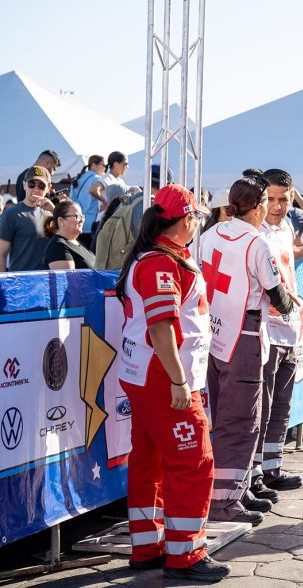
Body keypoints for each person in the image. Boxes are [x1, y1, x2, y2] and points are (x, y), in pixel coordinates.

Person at [114, 184, 230, 581]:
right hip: (164, 378)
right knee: (193, 461)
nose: (199, 221)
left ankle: (148, 544)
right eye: (197, 216)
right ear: (185, 221)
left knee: (149, 461)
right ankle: (187, 554)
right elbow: (161, 326)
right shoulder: (161, 263)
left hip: (147, 375)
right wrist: (180, 382)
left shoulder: (159, 257)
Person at [199, 174, 298, 525]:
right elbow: (277, 294)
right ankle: (226, 500)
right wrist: (291, 306)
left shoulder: (209, 234)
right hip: (244, 334)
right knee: (242, 420)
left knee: (219, 417)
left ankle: (228, 492)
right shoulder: (257, 242)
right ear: (256, 208)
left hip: (212, 333)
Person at [249, 169, 303, 503]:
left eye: (283, 199)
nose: (276, 205)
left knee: (282, 405)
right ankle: (255, 474)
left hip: (291, 327)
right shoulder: (254, 230)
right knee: (264, 404)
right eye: (270, 199)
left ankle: (273, 467)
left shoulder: (286, 227)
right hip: (265, 329)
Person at [0, 166, 55, 272]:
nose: (36, 189)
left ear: (48, 187)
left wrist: (54, 210)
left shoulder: (53, 213)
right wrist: (3, 285)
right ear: (24, 184)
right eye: (31, 184)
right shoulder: (11, 214)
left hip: (48, 281)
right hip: (21, 283)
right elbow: (1, 254)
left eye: (41, 185)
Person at [42, 200, 95, 270]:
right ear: (61, 221)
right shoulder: (58, 247)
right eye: (77, 216)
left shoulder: (77, 243)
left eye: (82, 216)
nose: (82, 220)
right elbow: (68, 280)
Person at [70, 155, 107, 246]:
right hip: (91, 225)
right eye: (104, 165)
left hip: (76, 223)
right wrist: (106, 202)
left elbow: (72, 201)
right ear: (94, 165)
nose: (105, 169)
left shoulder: (77, 179)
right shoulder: (97, 180)